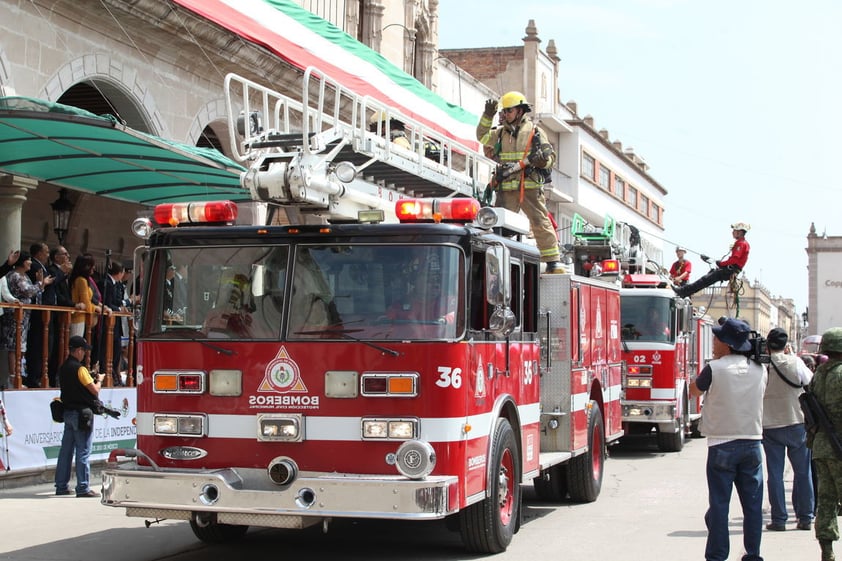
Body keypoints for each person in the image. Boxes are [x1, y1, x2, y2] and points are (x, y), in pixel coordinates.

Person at [689, 317, 767, 561]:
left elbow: (695, 390)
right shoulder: (760, 370)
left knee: (720, 505)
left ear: (727, 343)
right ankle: (753, 554)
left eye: (716, 338)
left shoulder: (715, 368)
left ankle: (717, 555)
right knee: (753, 506)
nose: (713, 342)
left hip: (722, 443)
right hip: (752, 442)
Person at [477, 92, 563, 273]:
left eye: (509, 110)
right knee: (500, 226)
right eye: (504, 111)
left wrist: (541, 160)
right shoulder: (500, 132)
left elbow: (550, 159)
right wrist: (488, 115)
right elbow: (482, 137)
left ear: (520, 110)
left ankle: (553, 262)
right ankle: (497, 263)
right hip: (506, 188)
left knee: (540, 222)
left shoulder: (535, 131)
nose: (506, 114)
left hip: (529, 186)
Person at [762, 327, 814, 532]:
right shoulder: (796, 362)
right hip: (797, 422)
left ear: (767, 346)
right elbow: (810, 381)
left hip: (771, 424)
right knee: (803, 472)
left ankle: (779, 519)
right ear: (785, 346)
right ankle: (805, 517)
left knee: (775, 474)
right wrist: (792, 357)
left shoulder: (763, 365)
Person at [808, 327, 842, 561]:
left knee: (827, 501)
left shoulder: (818, 374)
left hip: (821, 446)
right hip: (839, 447)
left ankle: (827, 551)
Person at [54, 335, 103, 498]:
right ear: (79, 350)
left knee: (65, 451)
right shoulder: (80, 369)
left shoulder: (64, 367)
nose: (85, 354)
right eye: (83, 351)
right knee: (83, 451)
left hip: (67, 412)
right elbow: (94, 391)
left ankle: (61, 486)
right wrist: (100, 380)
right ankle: (82, 487)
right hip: (81, 414)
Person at [0, 251, 50, 388]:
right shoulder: (14, 275)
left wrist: (41, 284)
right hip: (14, 316)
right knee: (14, 346)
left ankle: (18, 374)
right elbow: (27, 291)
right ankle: (13, 378)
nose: (30, 263)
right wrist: (40, 283)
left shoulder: (26, 276)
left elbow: (35, 292)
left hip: (25, 316)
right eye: (28, 260)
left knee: (21, 346)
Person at [674, 223, 750, 298]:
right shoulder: (741, 243)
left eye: (734, 230)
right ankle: (685, 292)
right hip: (730, 269)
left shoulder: (741, 244)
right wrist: (719, 263)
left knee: (705, 280)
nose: (732, 232)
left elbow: (734, 260)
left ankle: (683, 291)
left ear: (739, 232)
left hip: (730, 270)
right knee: (706, 278)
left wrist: (721, 264)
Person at [25, 242, 54, 387]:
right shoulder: (35, 266)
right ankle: (34, 377)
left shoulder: (41, 266)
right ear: (39, 253)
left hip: (44, 312)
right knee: (36, 344)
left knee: (43, 345)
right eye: (46, 251)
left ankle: (39, 375)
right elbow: (36, 287)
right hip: (37, 312)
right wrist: (44, 282)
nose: (48, 254)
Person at [46, 246, 73, 387]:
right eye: (65, 254)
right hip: (54, 315)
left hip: (63, 317)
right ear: (56, 257)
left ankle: (56, 376)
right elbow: (55, 291)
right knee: (52, 348)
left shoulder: (65, 272)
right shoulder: (52, 271)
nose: (68, 256)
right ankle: (49, 378)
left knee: (60, 349)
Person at [100, 261, 127, 385]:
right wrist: (118, 309)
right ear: (120, 273)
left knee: (116, 350)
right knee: (109, 349)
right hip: (108, 323)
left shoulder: (115, 283)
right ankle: (107, 374)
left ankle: (115, 373)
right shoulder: (107, 283)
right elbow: (108, 302)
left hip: (115, 324)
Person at [69, 254, 106, 339]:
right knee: (76, 346)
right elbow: (86, 303)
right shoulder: (81, 280)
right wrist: (96, 308)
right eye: (91, 265)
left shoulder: (80, 279)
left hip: (81, 318)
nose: (93, 268)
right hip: (79, 318)